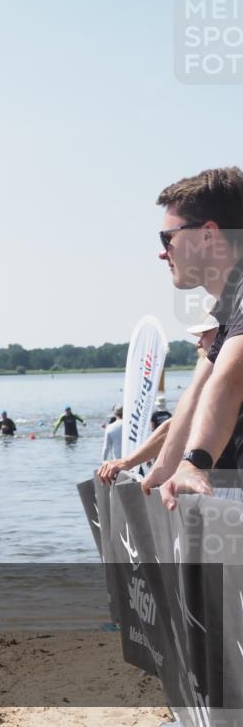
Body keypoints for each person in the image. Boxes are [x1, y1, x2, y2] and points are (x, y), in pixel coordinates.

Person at [137, 167, 243, 508]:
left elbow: (231, 381)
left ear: (208, 234)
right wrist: (165, 470)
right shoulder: (229, 303)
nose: (162, 252)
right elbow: (201, 390)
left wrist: (193, 463)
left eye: (167, 238)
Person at [98, 318, 222, 484]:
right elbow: (176, 425)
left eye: (204, 333)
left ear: (224, 332)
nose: (198, 342)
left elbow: (175, 427)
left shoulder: (222, 376)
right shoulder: (220, 372)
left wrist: (128, 462)